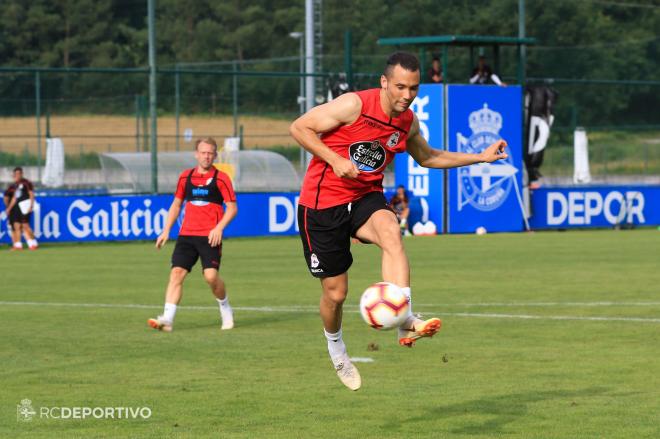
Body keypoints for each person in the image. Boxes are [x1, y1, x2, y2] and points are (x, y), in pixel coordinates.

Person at [290, 51, 508, 391]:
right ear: (384, 82)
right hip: (322, 205)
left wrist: (479, 157)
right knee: (336, 294)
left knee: (392, 233)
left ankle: (405, 320)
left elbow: (429, 156)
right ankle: (336, 349)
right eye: (400, 87)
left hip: (365, 197)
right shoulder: (353, 105)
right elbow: (299, 127)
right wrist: (334, 159)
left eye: (414, 88)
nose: (407, 95)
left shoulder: (407, 122)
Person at [148, 137, 238, 332]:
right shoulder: (185, 177)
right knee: (176, 274)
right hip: (186, 235)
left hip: (210, 236)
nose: (206, 156)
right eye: (203, 152)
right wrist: (166, 231)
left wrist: (219, 227)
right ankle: (167, 320)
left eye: (210, 153)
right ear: (196, 154)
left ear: (215, 155)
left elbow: (232, 208)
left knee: (211, 277)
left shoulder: (221, 178)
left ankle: (225, 307)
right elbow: (176, 204)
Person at [3, 167, 38, 250]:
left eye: (19, 174)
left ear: (22, 174)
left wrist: (31, 206)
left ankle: (34, 242)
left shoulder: (26, 183)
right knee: (17, 226)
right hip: (17, 209)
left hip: (25, 207)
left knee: (25, 225)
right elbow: (14, 198)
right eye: (16, 174)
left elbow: (31, 194)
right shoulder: (14, 186)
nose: (17, 175)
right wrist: (9, 208)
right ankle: (18, 245)